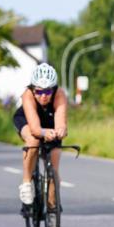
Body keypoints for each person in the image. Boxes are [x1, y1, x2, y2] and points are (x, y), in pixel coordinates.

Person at [14, 64, 68, 208]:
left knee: (54, 171)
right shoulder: (28, 95)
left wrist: (61, 130)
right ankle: (26, 183)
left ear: (54, 89)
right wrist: (45, 133)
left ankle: (52, 208)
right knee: (33, 141)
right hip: (27, 121)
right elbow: (36, 129)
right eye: (39, 91)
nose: (43, 96)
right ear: (33, 88)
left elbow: (61, 122)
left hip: (49, 120)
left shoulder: (59, 94)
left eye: (48, 91)